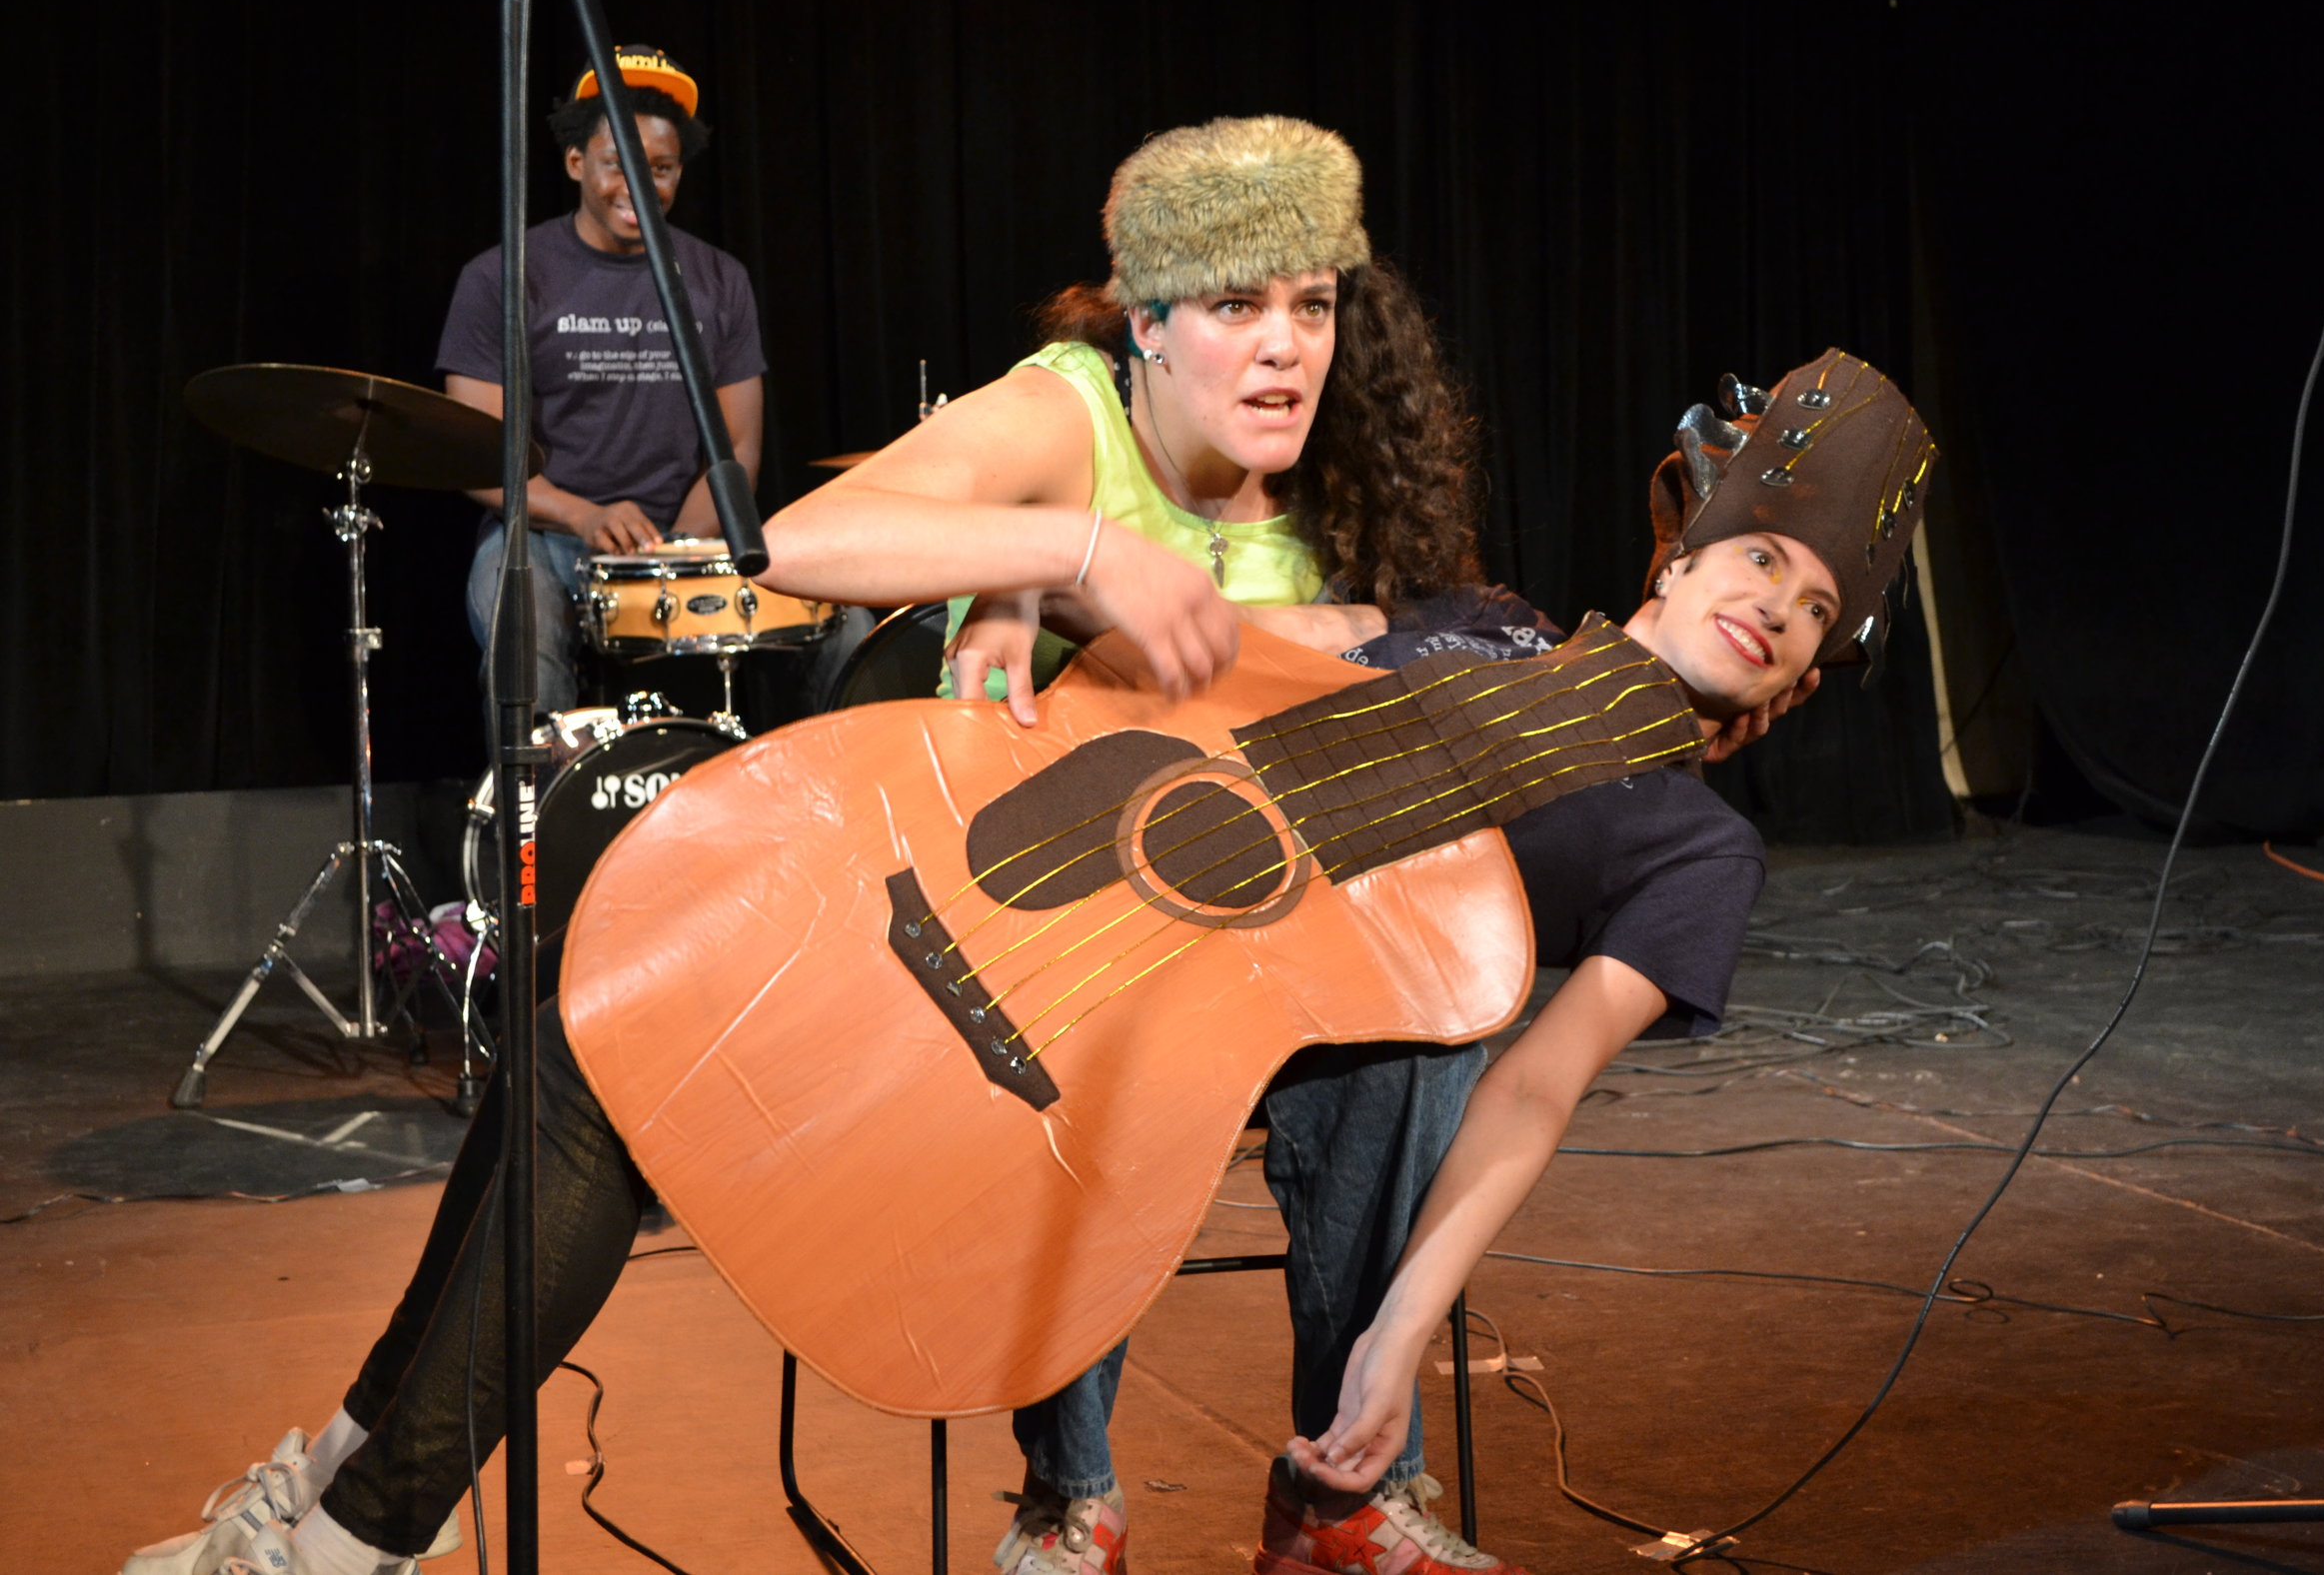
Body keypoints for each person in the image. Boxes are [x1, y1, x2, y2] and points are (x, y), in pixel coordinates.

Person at [115, 114, 1492, 1575]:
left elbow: (1442, 693)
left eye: (1314, 307)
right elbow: (808, 535)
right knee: (605, 1033)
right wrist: (1062, 555)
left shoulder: (1353, 495)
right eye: (1236, 305)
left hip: (1223, 991)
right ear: (1149, 319)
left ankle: (1340, 1492)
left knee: (1422, 1033)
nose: (1286, 348)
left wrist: (1324, 637)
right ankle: (361, 1492)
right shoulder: (1071, 414)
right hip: (984, 972)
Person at [1249, 351, 1938, 1574]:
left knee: (1432, 1038)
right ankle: (1079, 1495)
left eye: (1818, 612)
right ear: (1677, 560)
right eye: (1763, 559)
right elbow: (1279, 644)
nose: (1781, 608)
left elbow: (1534, 1086)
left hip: (1338, 1035)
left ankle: (1340, 1488)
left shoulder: (1699, 849)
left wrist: (1400, 1334)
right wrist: (1057, 601)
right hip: (1196, 882)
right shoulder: (1489, 619)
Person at [440, 45, 766, 718]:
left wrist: (671, 553)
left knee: (838, 624)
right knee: (520, 629)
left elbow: (737, 450)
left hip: (684, 537)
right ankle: (538, 815)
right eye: (619, 166)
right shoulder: (503, 276)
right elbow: (477, 454)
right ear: (575, 164)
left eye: (663, 169)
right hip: (544, 536)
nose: (641, 189)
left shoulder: (720, 280)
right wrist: (585, 515)